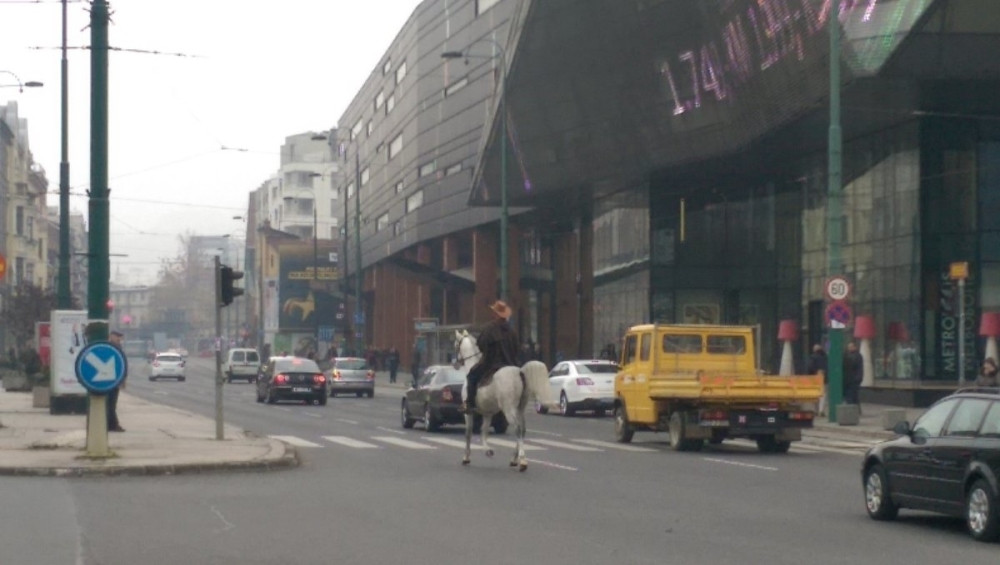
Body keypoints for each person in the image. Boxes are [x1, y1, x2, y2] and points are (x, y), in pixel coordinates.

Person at [460, 300, 520, 413]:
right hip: (511, 363)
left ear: (496, 314)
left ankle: (470, 404)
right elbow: (517, 349)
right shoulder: (512, 331)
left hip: (492, 364)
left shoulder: (490, 328)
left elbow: (481, 345)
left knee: (471, 376)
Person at [107, 330, 127, 432]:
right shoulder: (111, 347)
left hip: (114, 379)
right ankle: (113, 425)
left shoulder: (117, 347)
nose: (119, 339)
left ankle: (111, 424)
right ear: (111, 336)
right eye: (117, 337)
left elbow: (122, 365)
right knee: (110, 404)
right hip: (111, 379)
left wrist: (123, 379)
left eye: (120, 337)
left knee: (112, 404)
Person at [806, 344, 828, 416]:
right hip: (824, 379)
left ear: (814, 350)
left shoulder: (812, 357)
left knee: (815, 395)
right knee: (823, 395)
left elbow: (809, 367)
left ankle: (815, 410)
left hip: (814, 379)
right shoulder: (825, 357)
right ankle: (821, 410)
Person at [843, 341, 864, 409]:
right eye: (849, 347)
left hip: (854, 379)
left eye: (851, 347)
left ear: (855, 347)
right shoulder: (847, 355)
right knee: (852, 396)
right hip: (848, 379)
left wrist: (858, 378)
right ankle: (855, 409)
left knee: (852, 395)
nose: (849, 348)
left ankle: (854, 409)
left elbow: (858, 367)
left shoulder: (857, 356)